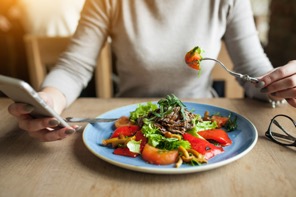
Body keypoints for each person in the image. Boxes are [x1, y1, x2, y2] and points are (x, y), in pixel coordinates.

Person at [7, 0, 296, 142]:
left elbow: (251, 70)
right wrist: (49, 102)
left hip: (200, 128)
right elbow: (74, 66)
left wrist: (280, 84)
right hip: (128, 127)